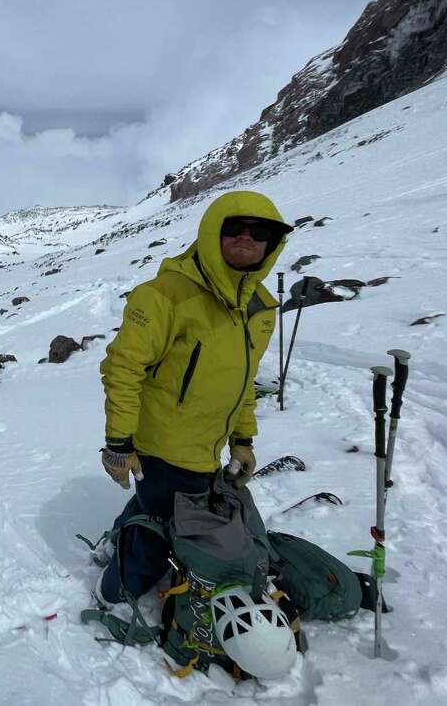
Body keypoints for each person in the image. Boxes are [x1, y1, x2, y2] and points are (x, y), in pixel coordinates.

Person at [95, 190, 293, 604]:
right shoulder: (166, 295)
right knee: (157, 535)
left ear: (272, 245)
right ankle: (116, 590)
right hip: (161, 446)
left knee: (160, 507)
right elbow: (123, 368)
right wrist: (118, 444)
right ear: (211, 232)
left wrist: (243, 440)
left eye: (260, 232)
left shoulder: (258, 308)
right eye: (233, 227)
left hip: (209, 447)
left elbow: (243, 381)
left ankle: (119, 536)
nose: (246, 237)